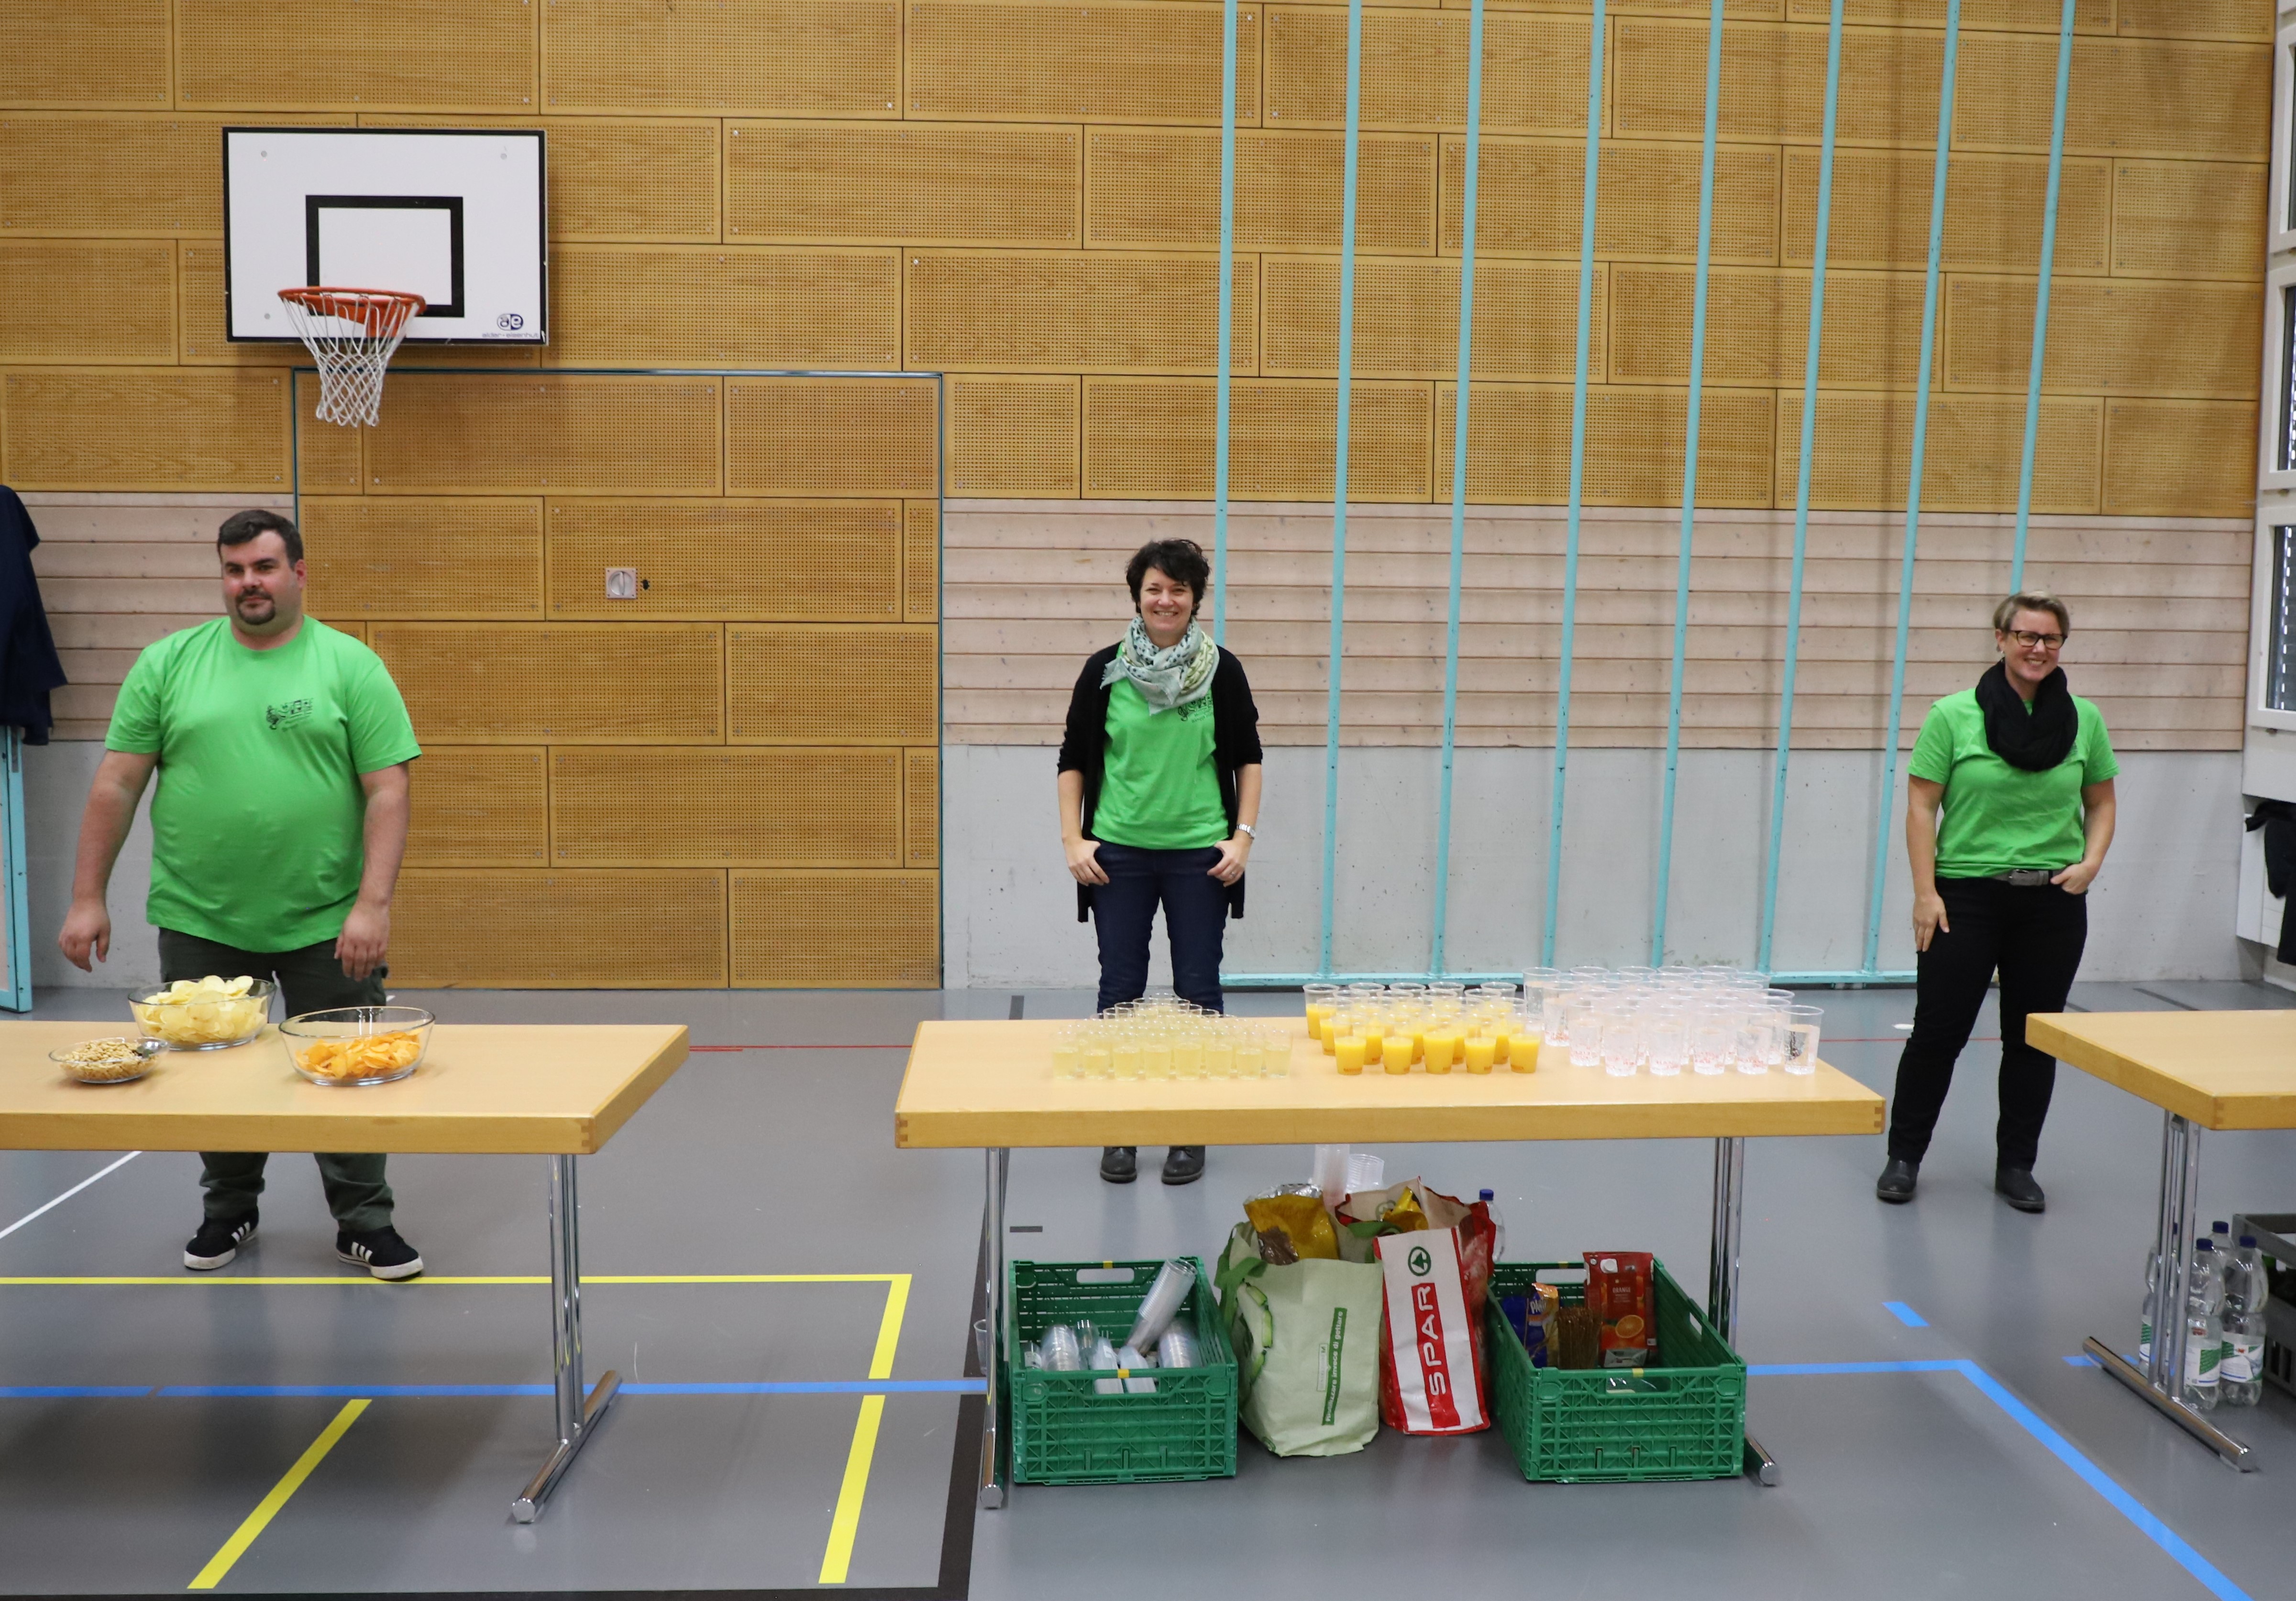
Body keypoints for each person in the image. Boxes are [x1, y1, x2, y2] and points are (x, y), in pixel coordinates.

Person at [58, 510, 426, 1277]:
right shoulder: (168, 664)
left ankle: (364, 1220)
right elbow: (118, 782)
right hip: (202, 917)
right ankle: (228, 1212)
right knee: (214, 1076)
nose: (248, 583)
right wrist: (88, 896)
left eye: (263, 567)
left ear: (299, 573)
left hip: (327, 919)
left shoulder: (350, 666)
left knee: (347, 1068)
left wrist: (372, 904)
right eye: (234, 570)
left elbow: (388, 790)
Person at [1876, 590, 2117, 1214]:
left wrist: (2090, 863)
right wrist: (1926, 893)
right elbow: (1922, 806)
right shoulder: (1953, 715)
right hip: (1965, 898)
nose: (2039, 648)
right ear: (2001, 639)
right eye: (2026, 636)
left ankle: (2017, 1165)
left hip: (2052, 900)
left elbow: (2100, 801)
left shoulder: (2084, 719)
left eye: (2051, 638)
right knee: (1938, 1033)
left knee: (2033, 1039)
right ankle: (1904, 1157)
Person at [1058, 539, 1262, 1186]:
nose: (1165, 600)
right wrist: (1073, 840)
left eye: (1178, 589)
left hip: (1198, 854)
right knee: (1119, 988)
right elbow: (1073, 759)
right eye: (1154, 588)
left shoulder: (1222, 671)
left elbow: (1248, 758)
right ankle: (1118, 1128)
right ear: (1137, 597)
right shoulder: (1104, 670)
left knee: (1199, 989)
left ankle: (1189, 1128)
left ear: (1195, 599)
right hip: (1118, 854)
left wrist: (1242, 839)